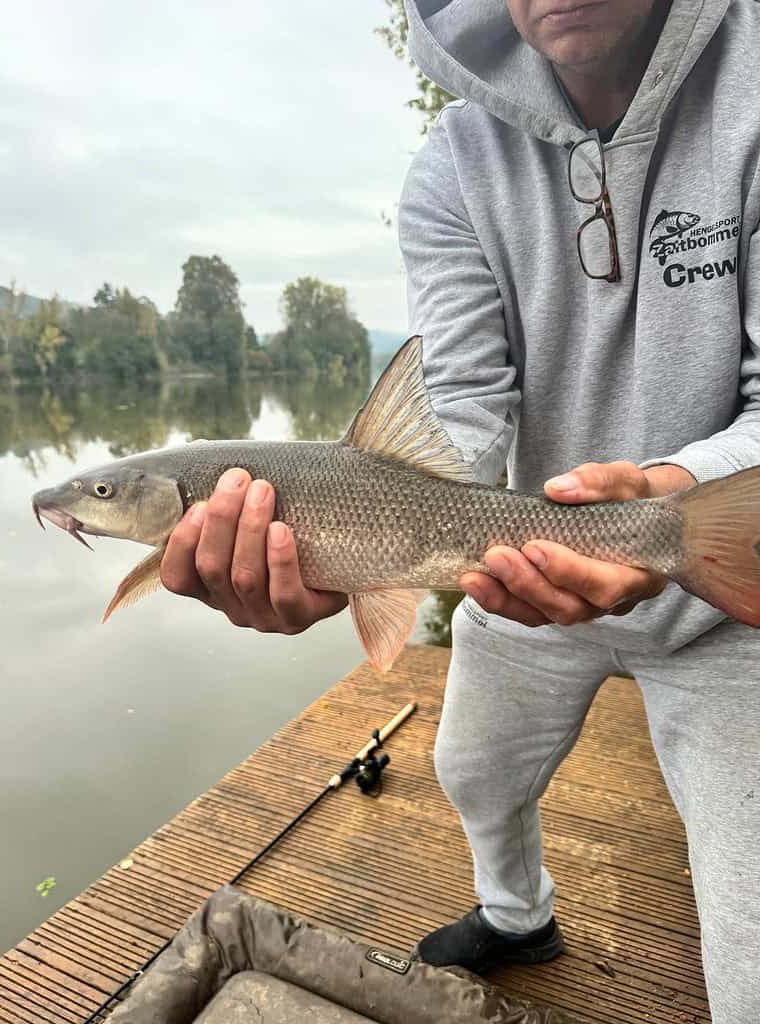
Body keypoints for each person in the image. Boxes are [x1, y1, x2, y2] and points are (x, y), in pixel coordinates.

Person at [160, 2, 760, 1020]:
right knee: (470, 765)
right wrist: (351, 552)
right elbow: (457, 419)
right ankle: (518, 912)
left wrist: (668, 495)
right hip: (517, 569)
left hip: (721, 592)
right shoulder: (450, 168)